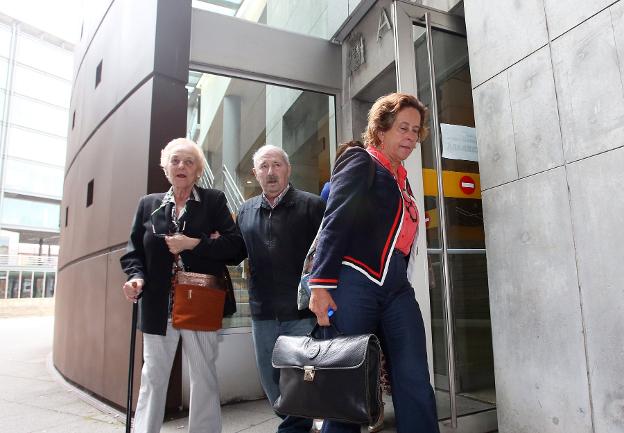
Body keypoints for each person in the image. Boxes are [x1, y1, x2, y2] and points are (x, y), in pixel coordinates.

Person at [308, 93, 440, 433]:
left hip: (397, 287)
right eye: (402, 128)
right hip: (355, 281)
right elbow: (335, 220)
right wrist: (320, 285)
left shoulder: (403, 180)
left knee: (414, 376)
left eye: (415, 130)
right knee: (346, 384)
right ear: (381, 131)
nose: (411, 136)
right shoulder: (361, 161)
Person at [120, 138, 245, 433]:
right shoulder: (148, 204)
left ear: (198, 171)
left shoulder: (212, 201)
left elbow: (237, 247)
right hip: (157, 303)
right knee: (153, 376)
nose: (181, 166)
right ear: (165, 167)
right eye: (175, 160)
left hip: (200, 298)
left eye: (189, 162)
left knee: (203, 375)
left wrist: (194, 244)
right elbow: (133, 251)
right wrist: (135, 276)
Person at [236, 144, 325, 433]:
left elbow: (329, 251)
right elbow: (233, 251)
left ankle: (294, 426)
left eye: (277, 165)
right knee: (270, 378)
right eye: (264, 166)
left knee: (297, 376)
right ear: (255, 173)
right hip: (262, 312)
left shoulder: (312, 206)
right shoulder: (246, 211)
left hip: (300, 312)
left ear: (288, 169)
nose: (271, 172)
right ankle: (296, 419)